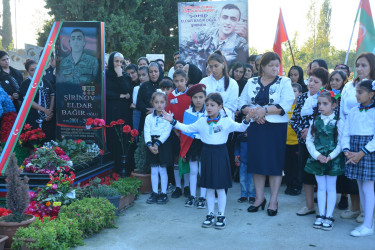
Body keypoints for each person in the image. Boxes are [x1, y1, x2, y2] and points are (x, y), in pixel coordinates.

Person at [163, 93, 251, 229]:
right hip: (207, 153)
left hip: (220, 154)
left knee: (220, 187)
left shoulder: (226, 121)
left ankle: (221, 215)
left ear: (220, 107)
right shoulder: (202, 121)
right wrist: (172, 121)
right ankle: (210, 214)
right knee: (209, 186)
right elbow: (187, 129)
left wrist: (247, 120)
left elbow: (240, 128)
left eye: (212, 105)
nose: (209, 108)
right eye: (207, 105)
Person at [238, 52, 295, 216]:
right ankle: (259, 198)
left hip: (276, 128)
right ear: (261, 66)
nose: (275, 68)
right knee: (257, 163)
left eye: (277, 65)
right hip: (256, 126)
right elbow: (241, 103)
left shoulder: (284, 81)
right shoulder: (251, 81)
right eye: (271, 65)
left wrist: (264, 111)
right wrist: (255, 113)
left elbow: (286, 103)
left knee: (274, 164)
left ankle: (273, 200)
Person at [339, 52, 375, 224]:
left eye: (364, 65)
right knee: (355, 179)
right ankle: (355, 208)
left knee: (368, 181)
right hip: (351, 133)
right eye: (358, 65)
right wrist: (344, 141)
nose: (360, 68)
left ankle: (367, 214)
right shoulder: (348, 86)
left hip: (369, 138)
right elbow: (342, 111)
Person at [291, 67, 329, 216]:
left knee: (322, 175)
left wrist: (312, 132)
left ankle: (324, 209)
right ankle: (309, 206)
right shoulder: (302, 98)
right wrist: (303, 132)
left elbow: (328, 121)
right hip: (304, 142)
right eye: (310, 80)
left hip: (322, 144)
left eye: (316, 81)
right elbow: (294, 119)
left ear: (324, 84)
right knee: (306, 174)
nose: (311, 84)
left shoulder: (327, 99)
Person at [305, 90, 344, 231]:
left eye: (325, 104)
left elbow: (341, 142)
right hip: (318, 159)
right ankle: (320, 215)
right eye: (319, 103)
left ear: (334, 105)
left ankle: (329, 216)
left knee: (331, 187)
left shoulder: (339, 122)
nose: (321, 106)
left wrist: (331, 156)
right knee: (320, 187)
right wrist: (317, 155)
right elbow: (309, 140)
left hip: (332, 160)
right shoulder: (315, 121)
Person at [181, 4, 248, 75]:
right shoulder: (206, 34)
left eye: (233, 19)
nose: (228, 22)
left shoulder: (242, 44)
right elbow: (185, 46)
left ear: (238, 21)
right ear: (219, 19)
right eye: (225, 17)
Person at [180, 84, 207, 208]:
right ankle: (192, 196)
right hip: (191, 144)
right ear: (191, 99)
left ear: (205, 98)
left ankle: (202, 197)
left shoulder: (208, 112)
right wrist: (183, 151)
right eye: (195, 97)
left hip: (205, 144)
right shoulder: (187, 112)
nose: (198, 100)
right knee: (193, 171)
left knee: (203, 171)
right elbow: (185, 133)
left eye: (201, 97)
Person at [105, 52, 132, 174]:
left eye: (121, 62)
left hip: (123, 112)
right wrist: (120, 95)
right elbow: (106, 93)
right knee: (113, 138)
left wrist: (120, 75)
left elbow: (127, 90)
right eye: (116, 61)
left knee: (123, 139)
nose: (119, 64)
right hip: (111, 112)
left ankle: (124, 169)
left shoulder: (125, 75)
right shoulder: (106, 75)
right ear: (111, 61)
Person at [166, 70, 191, 199]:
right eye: (176, 81)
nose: (179, 83)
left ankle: (187, 186)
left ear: (186, 80)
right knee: (176, 158)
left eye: (182, 80)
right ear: (173, 82)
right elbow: (168, 114)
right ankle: (178, 186)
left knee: (186, 157)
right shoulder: (171, 96)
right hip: (175, 132)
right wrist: (174, 128)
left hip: (188, 132)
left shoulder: (191, 94)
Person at [145, 92, 173, 204]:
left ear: (166, 103)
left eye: (162, 102)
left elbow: (167, 131)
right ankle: (155, 192)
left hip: (163, 144)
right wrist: (150, 145)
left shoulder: (169, 116)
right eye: (156, 102)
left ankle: (164, 193)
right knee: (154, 169)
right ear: (152, 103)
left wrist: (157, 144)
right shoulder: (148, 117)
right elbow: (146, 131)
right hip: (151, 144)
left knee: (162, 169)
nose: (159, 105)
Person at [20, 60, 55, 140]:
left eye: (37, 68)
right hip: (33, 117)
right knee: (35, 141)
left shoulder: (45, 81)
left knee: (48, 141)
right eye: (32, 70)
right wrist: (44, 110)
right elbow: (28, 101)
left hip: (48, 117)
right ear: (28, 71)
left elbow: (52, 95)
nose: (35, 71)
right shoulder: (25, 84)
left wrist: (50, 111)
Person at [284, 83, 303, 196]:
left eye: (295, 91)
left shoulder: (300, 107)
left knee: (296, 166)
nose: (292, 93)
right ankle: (289, 184)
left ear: (300, 94)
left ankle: (296, 186)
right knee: (287, 166)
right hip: (285, 142)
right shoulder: (285, 107)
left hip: (296, 142)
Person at [136, 62, 163, 133]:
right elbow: (139, 103)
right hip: (146, 118)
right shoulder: (144, 86)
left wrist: (155, 110)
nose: (153, 74)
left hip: (162, 119)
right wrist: (149, 110)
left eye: (156, 71)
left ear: (159, 71)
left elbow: (168, 102)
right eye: (151, 72)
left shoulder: (164, 84)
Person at [235, 130, 255, 203]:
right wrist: (236, 155)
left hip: (253, 162)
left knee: (252, 180)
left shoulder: (255, 136)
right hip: (243, 161)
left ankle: (252, 196)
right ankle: (244, 195)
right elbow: (237, 147)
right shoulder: (240, 137)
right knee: (242, 179)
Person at [131, 66, 149, 131]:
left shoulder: (153, 86)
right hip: (139, 113)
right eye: (139, 75)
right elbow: (136, 103)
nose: (141, 77)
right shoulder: (136, 88)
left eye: (143, 75)